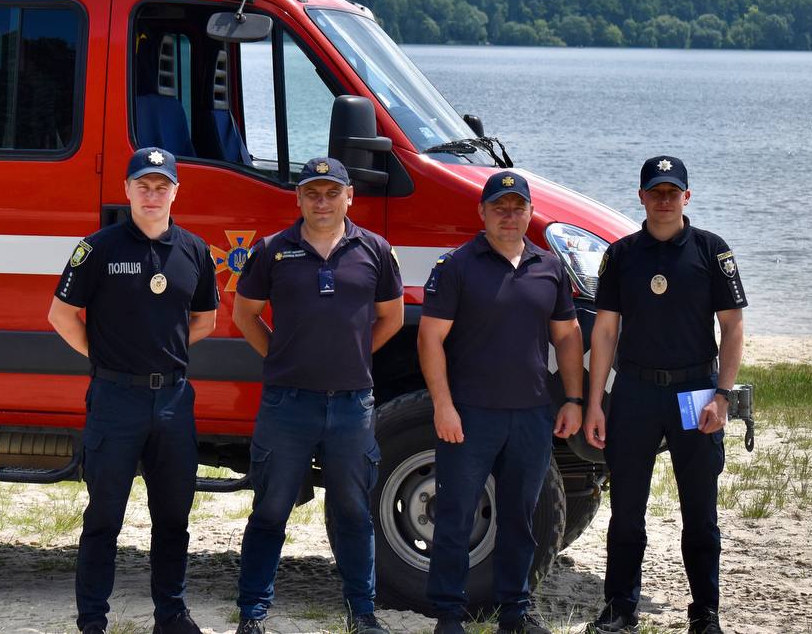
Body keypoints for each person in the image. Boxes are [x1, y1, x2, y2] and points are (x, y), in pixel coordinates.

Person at [47, 147, 219, 634]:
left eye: (161, 186)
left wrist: (163, 350)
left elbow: (205, 319)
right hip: (114, 400)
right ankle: (93, 621)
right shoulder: (97, 248)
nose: (152, 194)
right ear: (126, 190)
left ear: (175, 193)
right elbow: (60, 315)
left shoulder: (194, 251)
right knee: (104, 517)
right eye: (142, 185)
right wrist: (103, 356)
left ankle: (171, 615)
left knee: (173, 518)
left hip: (172, 400)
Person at [231, 157, 404, 634]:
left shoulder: (374, 249)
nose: (322, 201)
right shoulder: (272, 250)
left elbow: (391, 316)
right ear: (299, 198)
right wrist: (279, 356)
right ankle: (252, 612)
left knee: (352, 509)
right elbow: (245, 314)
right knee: (271, 508)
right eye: (312, 193)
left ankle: (362, 612)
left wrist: (352, 354)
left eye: (332, 192)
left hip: (352, 404)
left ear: (350, 197)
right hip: (287, 404)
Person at [582, 156, 747, 634]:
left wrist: (723, 394)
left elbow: (732, 327)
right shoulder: (621, 254)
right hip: (634, 390)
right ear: (641, 197)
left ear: (687, 197)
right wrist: (595, 401)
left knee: (700, 511)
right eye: (656, 191)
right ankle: (620, 609)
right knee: (626, 512)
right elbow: (606, 331)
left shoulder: (711, 251)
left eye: (672, 192)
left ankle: (705, 613)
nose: (664, 199)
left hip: (696, 391)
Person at [418, 172, 586, 634]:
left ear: (530, 213)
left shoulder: (549, 268)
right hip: (469, 413)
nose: (509, 216)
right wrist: (442, 405)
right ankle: (448, 615)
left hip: (531, 414)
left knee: (520, 517)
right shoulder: (456, 266)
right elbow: (430, 338)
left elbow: (567, 337)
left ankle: (515, 611)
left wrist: (573, 398)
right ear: (482, 213)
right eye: (499, 207)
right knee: (455, 515)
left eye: (517, 207)